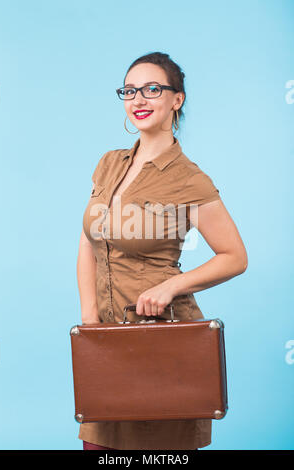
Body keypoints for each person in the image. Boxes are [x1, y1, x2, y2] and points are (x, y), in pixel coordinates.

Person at [77, 51, 248, 450]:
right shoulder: (108, 164)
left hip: (162, 341)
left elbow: (235, 256)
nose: (138, 99)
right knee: (99, 446)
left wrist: (171, 287)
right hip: (105, 342)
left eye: (152, 89)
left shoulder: (189, 179)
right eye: (130, 90)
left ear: (177, 99)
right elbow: (88, 240)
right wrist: (90, 323)